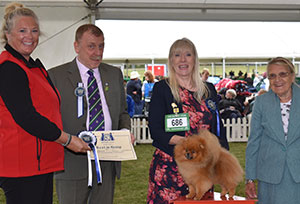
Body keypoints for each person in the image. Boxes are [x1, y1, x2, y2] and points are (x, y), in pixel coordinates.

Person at [0, 3, 90, 204]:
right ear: (7, 34)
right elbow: (27, 117)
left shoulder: (31, 67)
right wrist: (67, 140)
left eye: (34, 31)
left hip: (38, 161)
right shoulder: (9, 69)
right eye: (22, 31)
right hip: (22, 165)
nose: (29, 36)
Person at [48, 24, 131, 204]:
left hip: (107, 160)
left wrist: (125, 132)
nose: (98, 52)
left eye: (101, 46)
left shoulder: (114, 73)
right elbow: (50, 120)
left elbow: (123, 113)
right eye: (91, 46)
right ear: (76, 46)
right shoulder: (56, 76)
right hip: (71, 163)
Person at [147, 38, 229, 204]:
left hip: (203, 168)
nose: (183, 59)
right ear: (171, 60)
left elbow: (217, 128)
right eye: (177, 55)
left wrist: (221, 160)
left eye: (188, 54)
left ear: (195, 59)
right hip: (170, 169)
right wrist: (186, 143)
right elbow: (155, 130)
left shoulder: (209, 90)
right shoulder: (162, 88)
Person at [245, 57, 300, 204]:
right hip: (270, 177)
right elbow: (254, 141)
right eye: (272, 76)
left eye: (283, 74)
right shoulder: (261, 103)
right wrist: (249, 178)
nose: (277, 80)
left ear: (292, 75)